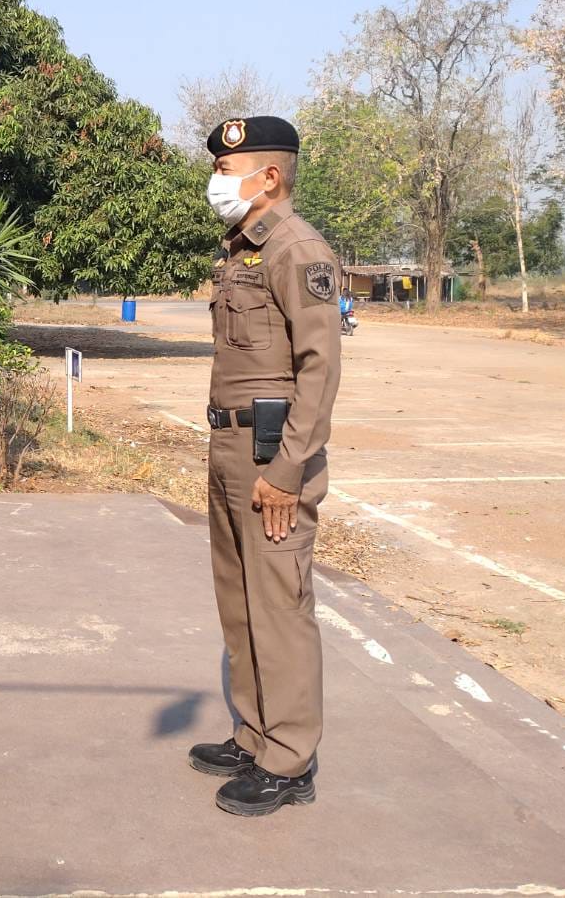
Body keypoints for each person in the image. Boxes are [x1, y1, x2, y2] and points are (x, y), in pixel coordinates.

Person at [189, 115, 342, 816]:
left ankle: (288, 760)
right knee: (240, 601)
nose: (215, 180)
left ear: (269, 176)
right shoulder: (241, 249)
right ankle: (254, 734)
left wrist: (286, 469)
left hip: (272, 454)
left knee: (278, 606)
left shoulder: (296, 249)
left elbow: (319, 370)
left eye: (226, 169)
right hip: (230, 446)